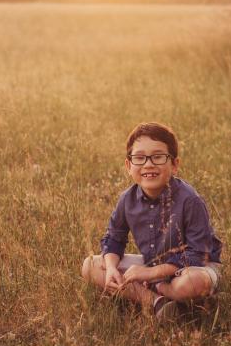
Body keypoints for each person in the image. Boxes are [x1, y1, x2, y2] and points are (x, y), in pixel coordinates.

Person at [81, 122, 223, 321]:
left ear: (174, 165)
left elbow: (198, 254)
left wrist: (151, 275)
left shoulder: (190, 200)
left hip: (195, 268)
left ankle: (161, 288)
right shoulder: (127, 200)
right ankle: (157, 303)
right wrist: (112, 268)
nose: (148, 164)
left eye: (158, 157)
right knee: (91, 265)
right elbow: (114, 238)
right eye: (139, 158)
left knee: (193, 284)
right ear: (128, 166)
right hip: (152, 264)